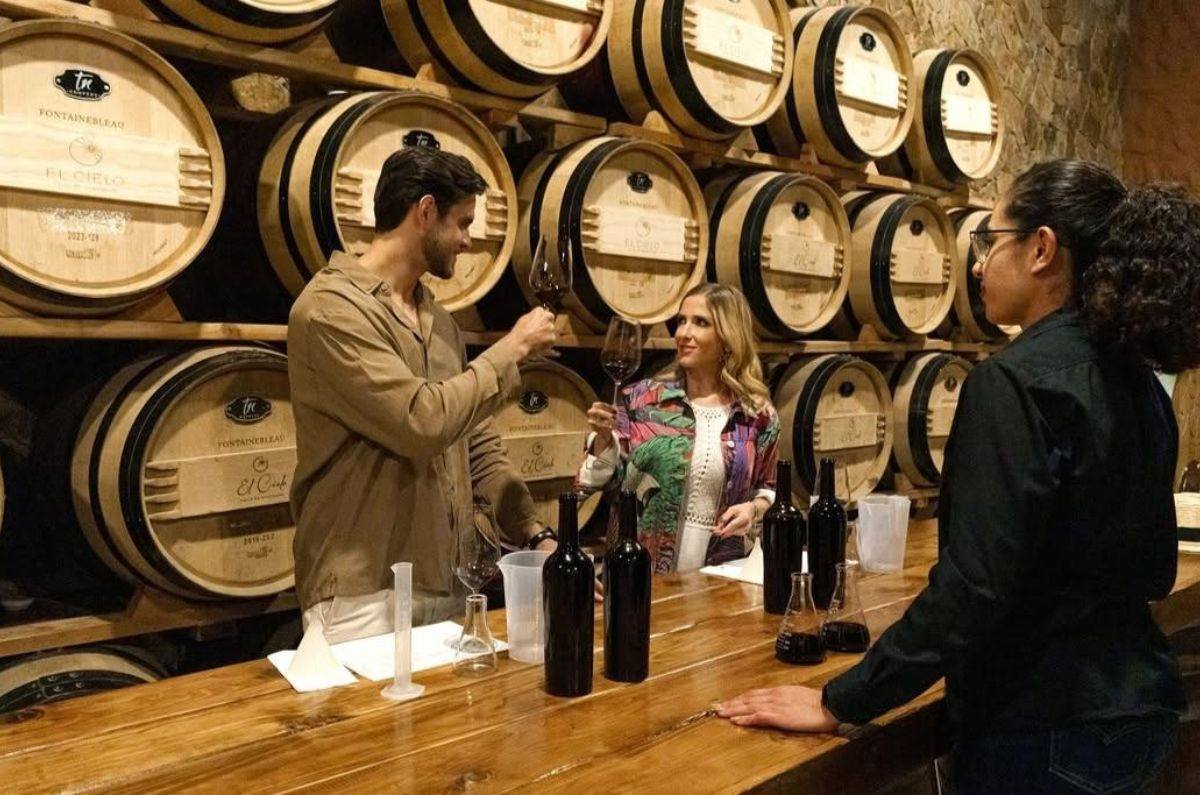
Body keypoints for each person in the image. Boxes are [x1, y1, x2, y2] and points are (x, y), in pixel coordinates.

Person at [718, 159, 1200, 792]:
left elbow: (974, 587)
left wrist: (843, 701)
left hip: (1044, 728)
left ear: (1041, 249)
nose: (976, 265)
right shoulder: (1139, 381)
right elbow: (1153, 568)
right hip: (1133, 709)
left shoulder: (1014, 381)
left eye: (988, 241)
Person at [288, 146, 559, 641]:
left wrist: (534, 533)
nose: (467, 241)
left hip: (443, 580)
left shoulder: (437, 320)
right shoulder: (330, 310)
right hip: (363, 593)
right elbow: (421, 422)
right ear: (426, 211)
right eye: (462, 223)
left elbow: (474, 443)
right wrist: (513, 349)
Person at [577, 283, 780, 573]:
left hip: (721, 574)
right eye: (681, 321)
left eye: (700, 323)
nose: (683, 333)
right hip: (640, 573)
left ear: (728, 337)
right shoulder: (643, 399)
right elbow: (597, 480)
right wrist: (604, 439)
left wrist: (752, 510)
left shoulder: (756, 415)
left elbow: (769, 490)